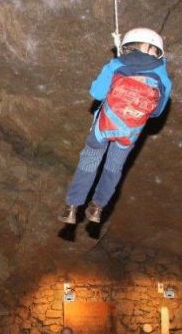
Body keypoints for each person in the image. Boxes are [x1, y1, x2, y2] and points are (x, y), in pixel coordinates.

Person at [58, 27, 172, 224]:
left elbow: (97, 93)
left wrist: (117, 72)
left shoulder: (117, 64)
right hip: (130, 132)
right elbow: (157, 112)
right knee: (113, 167)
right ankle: (97, 208)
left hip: (104, 126)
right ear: (151, 48)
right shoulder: (163, 76)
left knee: (89, 161)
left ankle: (72, 208)